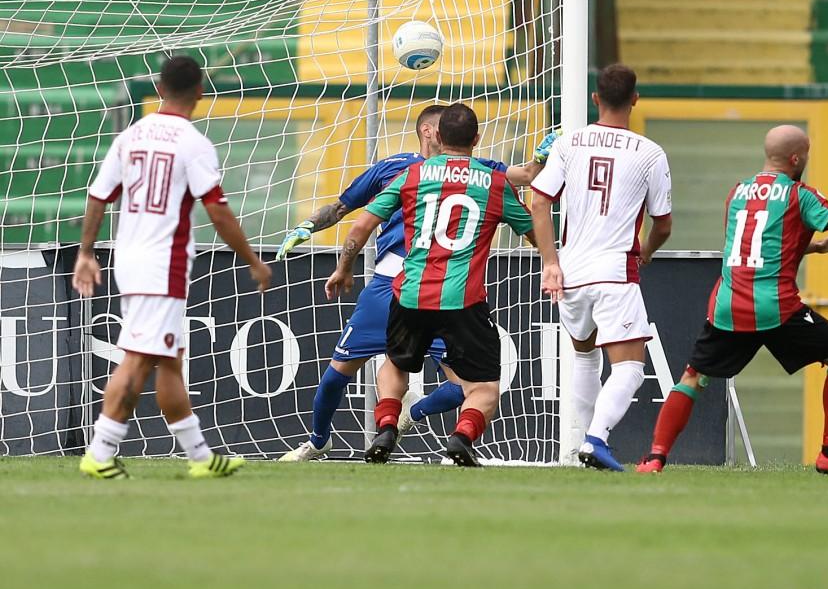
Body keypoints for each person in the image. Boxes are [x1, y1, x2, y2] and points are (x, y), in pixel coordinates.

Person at [637, 125, 828, 476]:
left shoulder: (737, 193)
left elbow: (750, 247)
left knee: (693, 376)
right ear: (796, 158)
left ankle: (654, 458)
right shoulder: (800, 195)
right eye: (807, 155)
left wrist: (813, 246)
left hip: (727, 305)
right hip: (775, 307)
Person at [276, 104, 553, 462]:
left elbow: (526, 173)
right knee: (339, 375)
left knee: (433, 379)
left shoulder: (470, 170)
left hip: (410, 290)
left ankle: (401, 419)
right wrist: (308, 227)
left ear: (441, 135)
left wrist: (539, 161)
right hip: (401, 287)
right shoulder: (399, 168)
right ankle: (318, 441)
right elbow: (343, 208)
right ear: (429, 132)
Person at [73, 55, 272, 480]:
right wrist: (253, 260)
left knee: (169, 360)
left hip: (131, 257)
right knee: (139, 360)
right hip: (162, 264)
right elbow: (217, 212)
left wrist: (87, 252)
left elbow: (98, 195)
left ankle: (200, 457)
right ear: (200, 92)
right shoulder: (193, 143)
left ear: (160, 89)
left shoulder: (130, 135)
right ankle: (100, 452)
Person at [531, 63, 673, 471]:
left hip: (570, 272)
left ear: (595, 99)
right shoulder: (650, 153)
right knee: (629, 367)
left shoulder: (568, 142)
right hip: (614, 272)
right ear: (635, 99)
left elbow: (539, 201)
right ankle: (596, 439)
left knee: (585, 356)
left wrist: (550, 264)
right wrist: (645, 251)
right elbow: (663, 224)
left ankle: (579, 445)